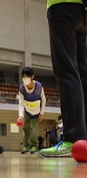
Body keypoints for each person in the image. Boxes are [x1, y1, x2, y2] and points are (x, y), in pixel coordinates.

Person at [40, 0, 87, 157]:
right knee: (82, 74)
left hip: (61, 7)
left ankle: (73, 138)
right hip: (81, 11)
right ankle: (84, 140)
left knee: (67, 72)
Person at [17, 67, 46, 154]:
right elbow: (21, 103)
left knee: (34, 129)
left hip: (36, 112)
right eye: (23, 78)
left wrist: (42, 112)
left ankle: (34, 146)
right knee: (26, 129)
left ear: (32, 77)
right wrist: (20, 116)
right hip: (27, 112)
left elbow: (43, 99)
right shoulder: (21, 89)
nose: (25, 80)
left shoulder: (39, 86)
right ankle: (26, 146)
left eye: (27, 77)